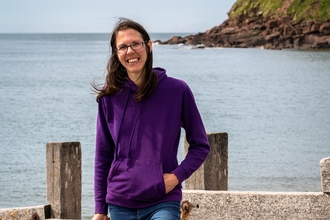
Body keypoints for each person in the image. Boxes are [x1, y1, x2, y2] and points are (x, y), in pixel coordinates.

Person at [91, 18, 210, 220]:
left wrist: (176, 177)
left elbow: (200, 146)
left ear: (148, 46)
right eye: (123, 47)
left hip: (162, 200)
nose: (130, 51)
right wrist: (100, 209)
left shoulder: (177, 90)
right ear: (117, 54)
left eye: (135, 44)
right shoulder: (109, 97)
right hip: (120, 202)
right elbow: (103, 155)